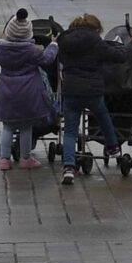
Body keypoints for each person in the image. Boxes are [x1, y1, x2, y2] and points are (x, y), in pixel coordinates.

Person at [54, 13, 117, 185]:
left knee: (70, 131)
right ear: (95, 29)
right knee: (103, 115)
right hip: (93, 92)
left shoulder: (64, 41)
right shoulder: (96, 42)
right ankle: (112, 146)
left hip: (71, 92)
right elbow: (117, 56)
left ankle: (68, 168)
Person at [0, 9, 58, 170]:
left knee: (7, 126)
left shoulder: (2, 49)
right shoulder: (31, 51)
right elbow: (48, 59)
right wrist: (54, 45)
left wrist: (2, 41)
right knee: (26, 127)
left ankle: (4, 160)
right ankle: (25, 158)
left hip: (7, 92)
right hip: (28, 93)